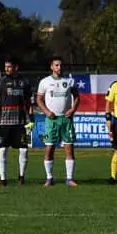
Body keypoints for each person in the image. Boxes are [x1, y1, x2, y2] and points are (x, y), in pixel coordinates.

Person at [0, 57, 34, 186]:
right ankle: (3, 180)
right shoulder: (0, 81)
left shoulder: (24, 82)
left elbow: (29, 102)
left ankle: (21, 177)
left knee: (24, 150)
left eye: (9, 66)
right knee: (3, 150)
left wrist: (31, 119)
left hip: (20, 123)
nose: (6, 69)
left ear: (16, 67)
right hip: (3, 123)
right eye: (5, 66)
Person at [36, 57, 80, 187]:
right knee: (49, 148)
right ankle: (49, 178)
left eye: (61, 65)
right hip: (51, 120)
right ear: (52, 67)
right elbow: (39, 99)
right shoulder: (45, 82)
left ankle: (69, 178)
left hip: (66, 119)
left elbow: (77, 97)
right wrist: (46, 112)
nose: (59, 68)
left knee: (69, 148)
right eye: (56, 65)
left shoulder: (69, 81)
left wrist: (72, 109)